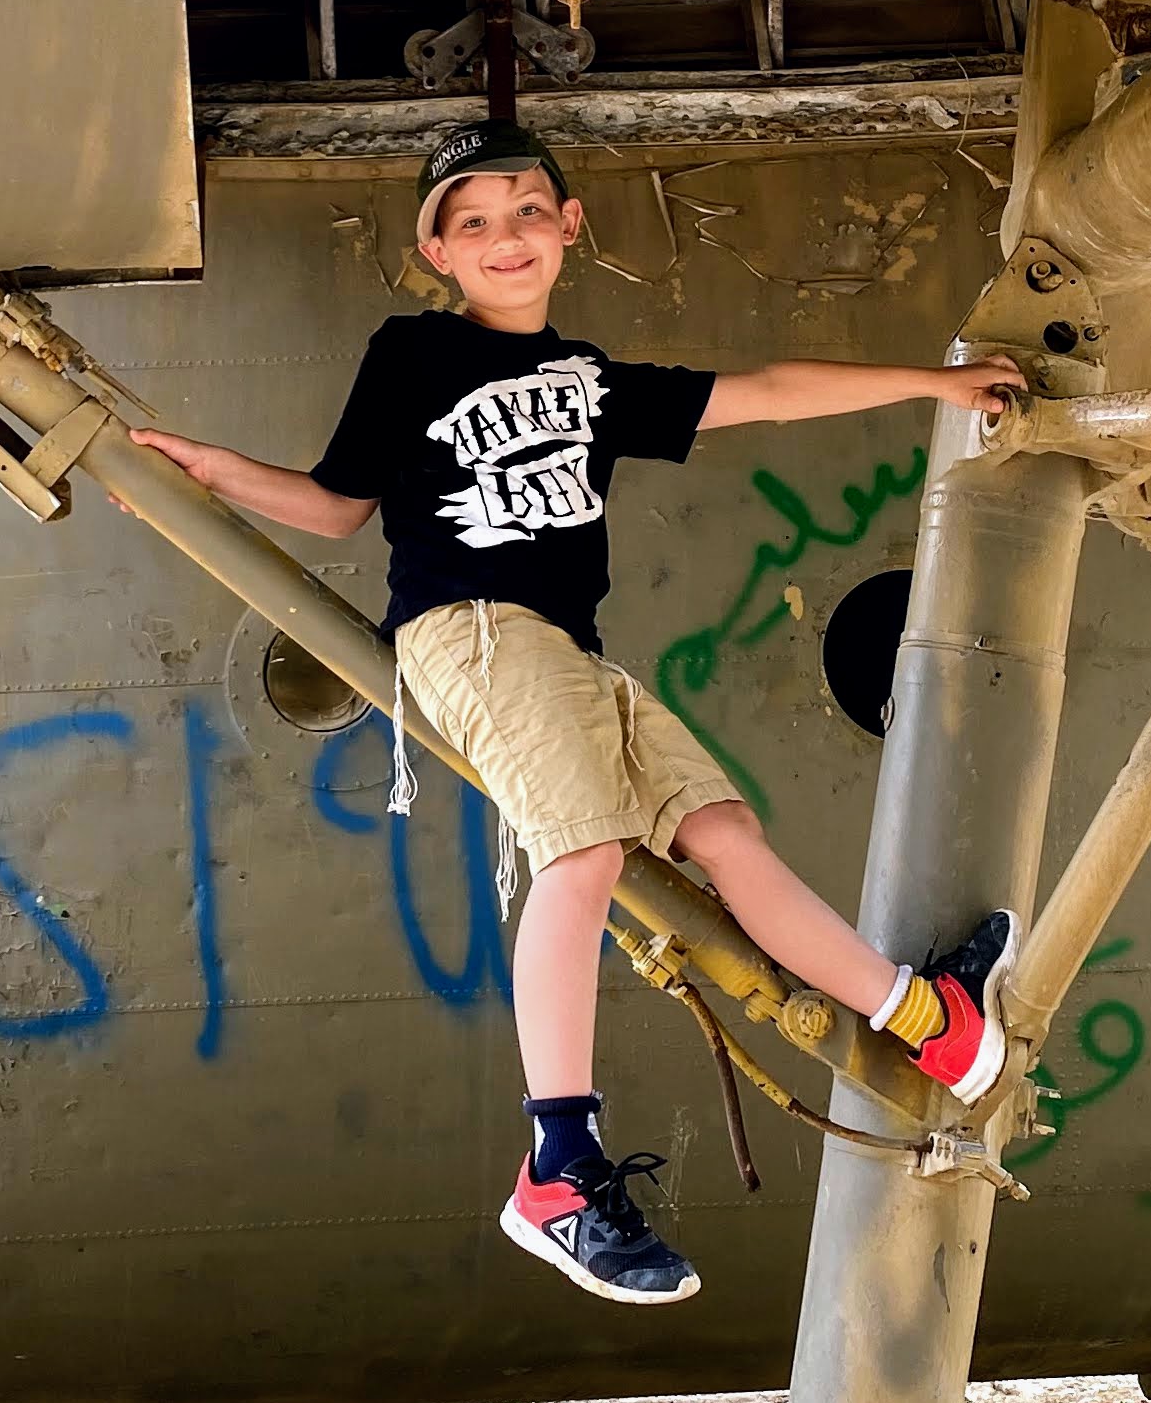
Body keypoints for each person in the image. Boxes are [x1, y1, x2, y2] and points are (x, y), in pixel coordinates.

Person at [131, 119, 1028, 1308]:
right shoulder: (413, 354)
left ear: (569, 228)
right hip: (475, 633)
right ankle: (558, 1166)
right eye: (472, 222)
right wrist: (208, 469)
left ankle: (937, 1026)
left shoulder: (592, 384)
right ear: (435, 251)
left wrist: (936, 383)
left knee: (725, 837)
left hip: (572, 654)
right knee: (587, 851)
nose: (503, 237)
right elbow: (339, 507)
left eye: (524, 213)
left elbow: (760, 394)